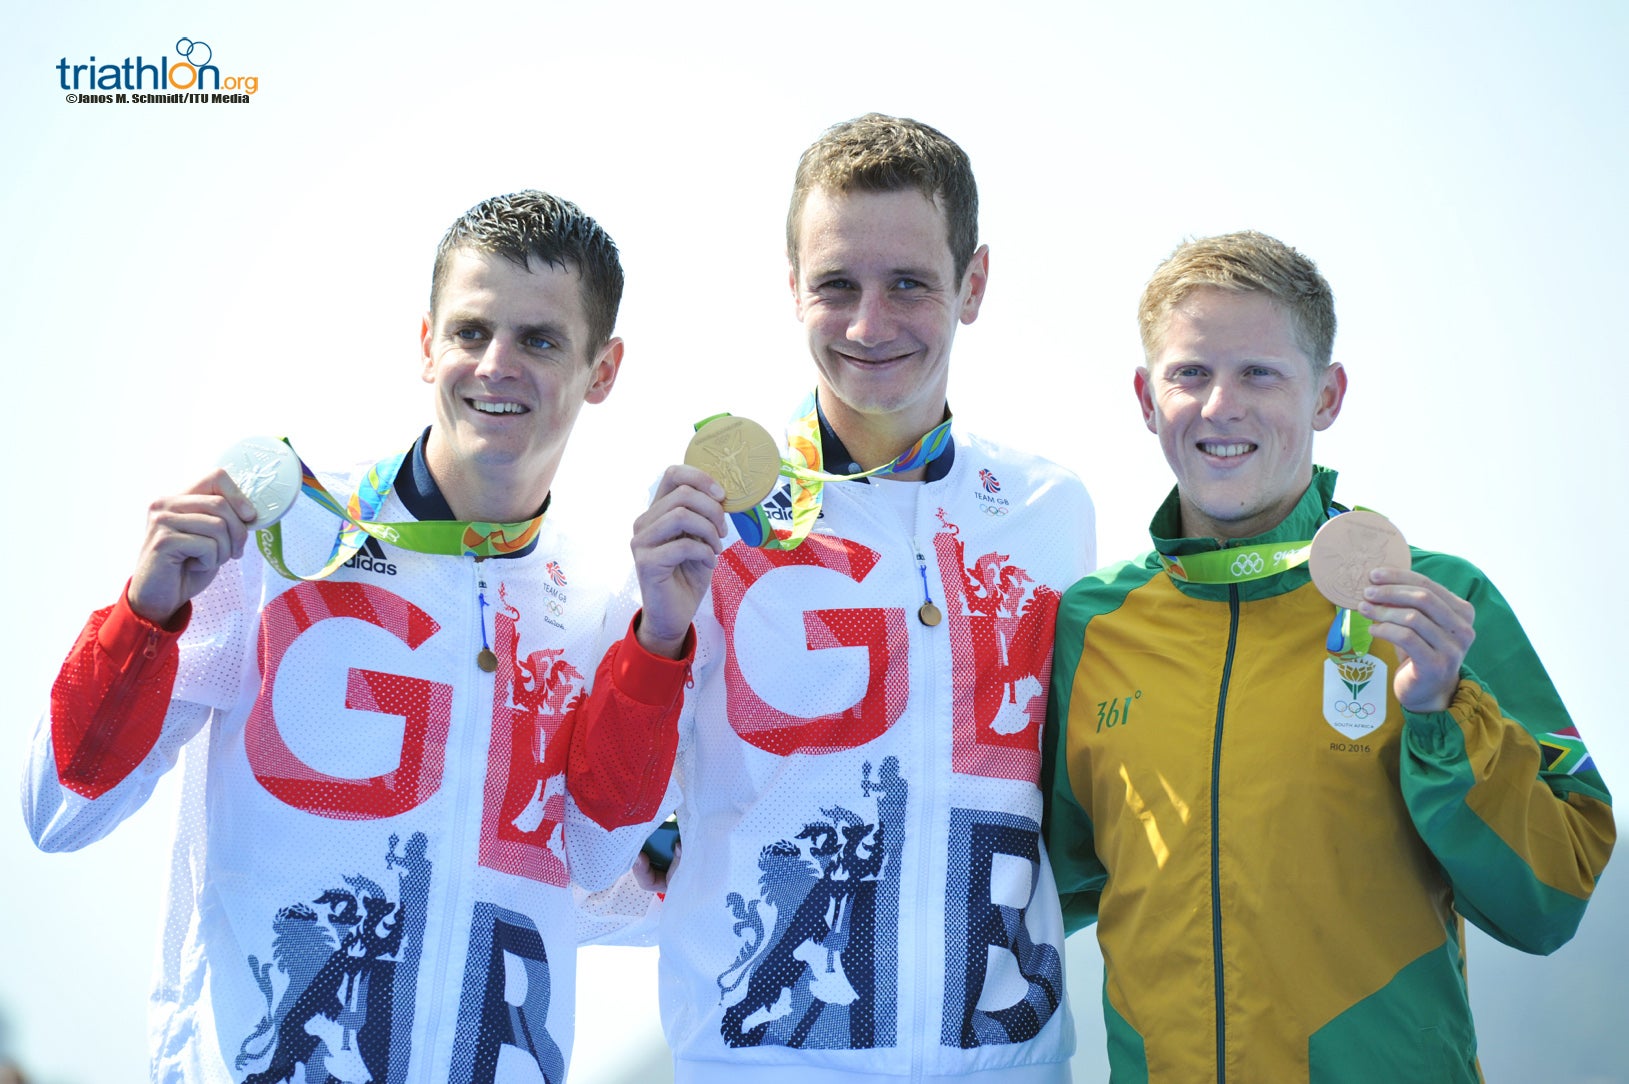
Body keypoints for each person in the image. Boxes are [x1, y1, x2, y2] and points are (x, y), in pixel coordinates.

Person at [22, 191, 681, 1083]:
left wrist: (680, 847)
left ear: (602, 370)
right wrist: (143, 615)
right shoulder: (277, 539)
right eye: (472, 331)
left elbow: (586, 880)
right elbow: (61, 812)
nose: (496, 365)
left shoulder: (603, 612)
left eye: (539, 341)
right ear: (425, 344)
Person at [1043, 230, 1616, 1081]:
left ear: (1326, 394)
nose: (1220, 406)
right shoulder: (1091, 625)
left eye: (1260, 373)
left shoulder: (1436, 603)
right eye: (1190, 373)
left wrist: (1444, 718)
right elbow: (1032, 882)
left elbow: (1552, 899)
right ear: (1145, 396)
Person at [595, 113, 1096, 1083]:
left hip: (1009, 1064)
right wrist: (655, 639)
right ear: (791, 287)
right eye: (836, 285)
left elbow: (1077, 806)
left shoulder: (1049, 510)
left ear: (974, 283)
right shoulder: (706, 517)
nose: (869, 325)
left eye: (908, 282)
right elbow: (606, 824)